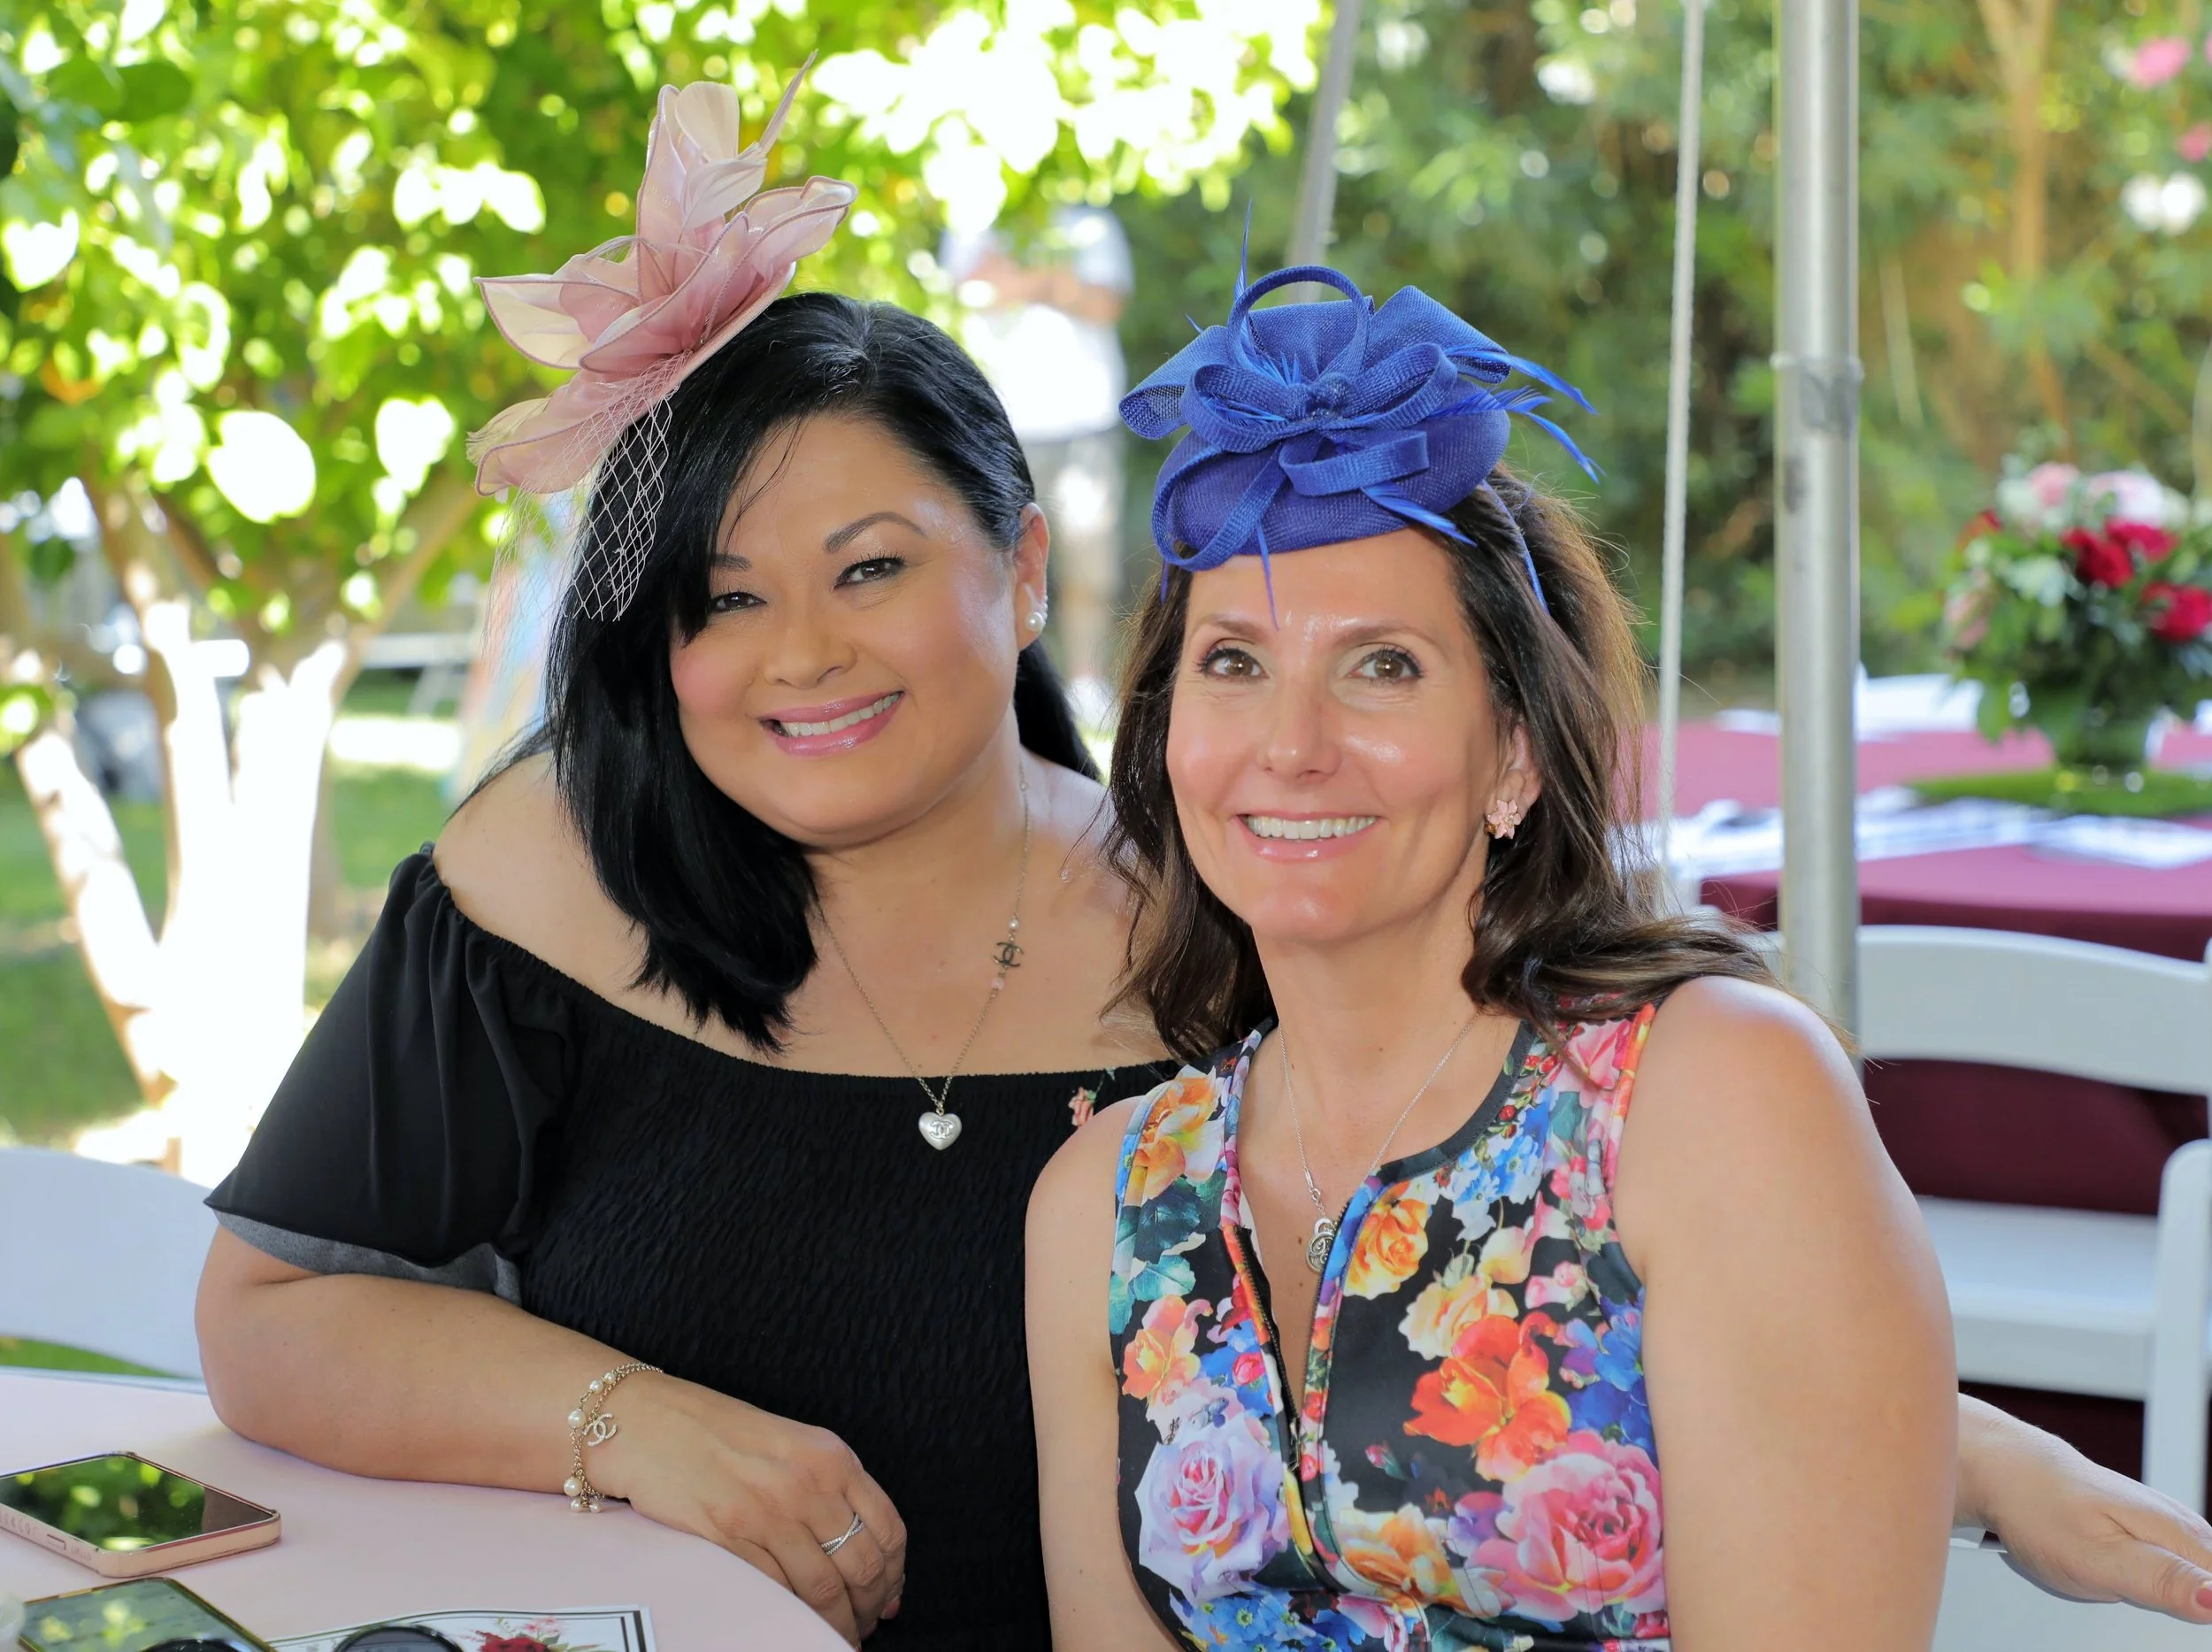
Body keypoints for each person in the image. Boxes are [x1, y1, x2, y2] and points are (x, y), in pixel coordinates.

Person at [191, 69, 2212, 1652]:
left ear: (1022, 571)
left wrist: (1926, 1433)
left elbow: (1529, 1249)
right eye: (722, 596)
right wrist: (631, 1426)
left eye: (871, 567)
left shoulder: (1233, 910)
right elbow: (279, 1307)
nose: (799, 652)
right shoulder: (559, 893)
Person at [1021, 264, 2158, 1649]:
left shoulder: (1708, 1101)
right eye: (1233, 663)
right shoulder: (1104, 1206)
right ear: (1164, 738)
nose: (1293, 743)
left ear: (1515, 754)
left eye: (1383, 665)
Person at [941, 204, 1134, 719]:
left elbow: (1105, 302)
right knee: (996, 564)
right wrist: (1056, 281)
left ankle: (1088, 687)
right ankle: (1013, 688)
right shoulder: (969, 220)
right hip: (998, 425)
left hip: (1085, 422)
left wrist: (1020, 280)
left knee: (1089, 566)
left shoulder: (1091, 222)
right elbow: (960, 297)